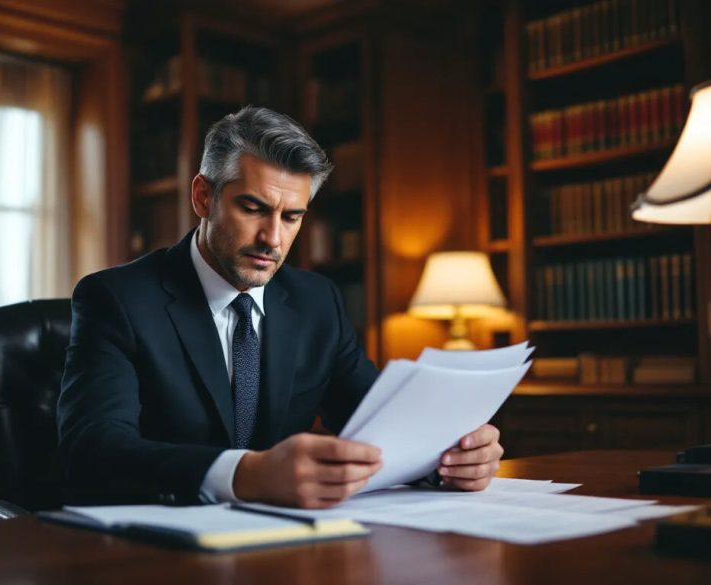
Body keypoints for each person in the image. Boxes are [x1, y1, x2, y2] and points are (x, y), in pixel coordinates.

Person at [56, 106, 503, 508]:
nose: (273, 238)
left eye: (292, 217)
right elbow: (93, 450)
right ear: (203, 198)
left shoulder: (317, 302)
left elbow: (381, 429)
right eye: (253, 208)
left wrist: (450, 456)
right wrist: (245, 474)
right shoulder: (117, 299)